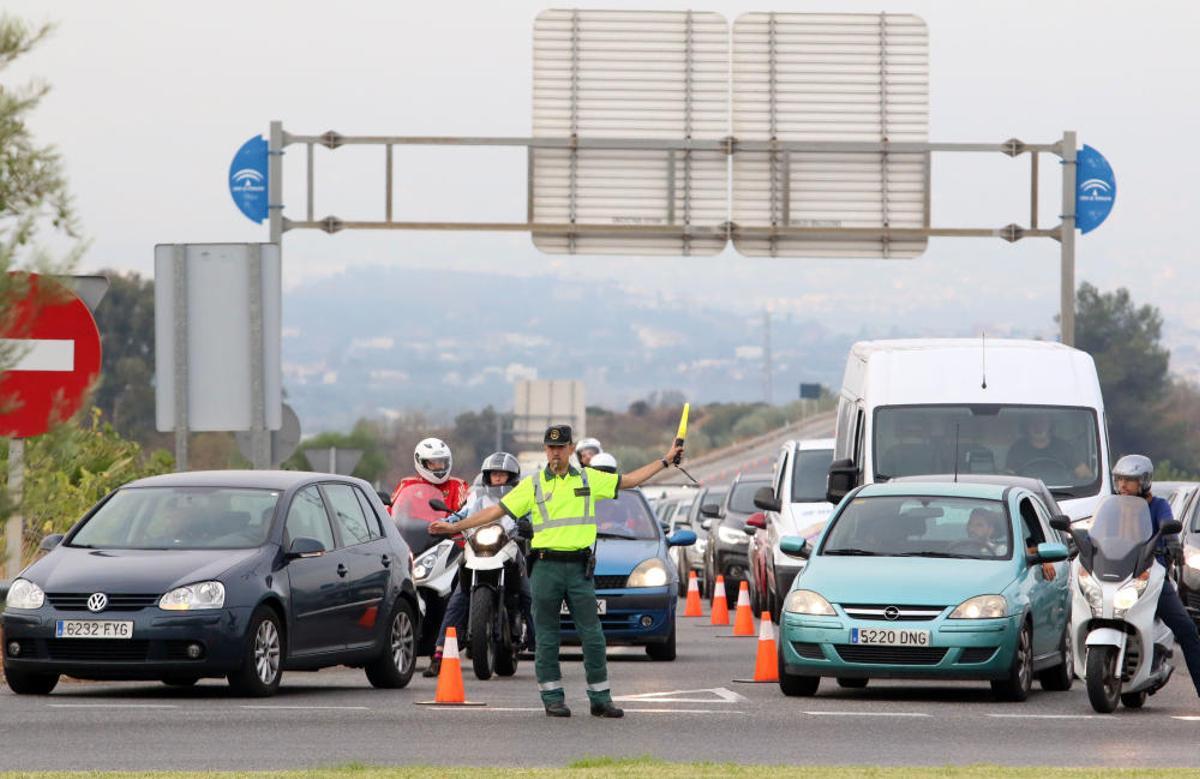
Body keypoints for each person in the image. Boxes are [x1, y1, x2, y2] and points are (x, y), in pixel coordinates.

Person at [430, 424, 685, 719]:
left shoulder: (590, 479)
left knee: (592, 635)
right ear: (545, 449)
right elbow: (495, 511)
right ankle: (552, 698)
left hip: (578, 568)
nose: (555, 452)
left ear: (571, 449)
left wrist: (665, 460)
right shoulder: (534, 484)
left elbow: (630, 480)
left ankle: (600, 699)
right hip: (546, 567)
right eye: (550, 447)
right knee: (548, 635)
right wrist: (455, 526)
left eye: (561, 447)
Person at [423, 451, 526, 678]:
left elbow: (529, 518)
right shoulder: (477, 497)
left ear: (512, 477)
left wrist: (528, 527)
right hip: (478, 549)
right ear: (487, 476)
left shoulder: (520, 496)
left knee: (527, 592)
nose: (498, 478)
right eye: (494, 474)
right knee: (457, 596)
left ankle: (538, 641)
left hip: (507, 548)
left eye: (503, 474)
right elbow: (461, 515)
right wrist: (445, 523)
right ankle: (440, 652)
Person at [1112, 454, 1200, 699]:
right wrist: (1081, 544)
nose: (1123, 487)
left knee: (1187, 629)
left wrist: (1172, 541)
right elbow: (1097, 531)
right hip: (1116, 576)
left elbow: (1167, 522)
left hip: (1150, 576)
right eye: (1120, 481)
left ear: (1144, 481)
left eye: (1129, 481)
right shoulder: (1113, 507)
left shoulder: (1158, 505)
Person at [390, 437, 470, 516]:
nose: (438, 466)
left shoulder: (458, 485)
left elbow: (464, 512)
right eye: (432, 463)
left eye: (442, 461)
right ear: (421, 462)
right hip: (410, 529)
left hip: (446, 528)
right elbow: (391, 511)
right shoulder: (407, 484)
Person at [1005, 415, 1091, 481]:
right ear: (1026, 426)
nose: (1038, 426)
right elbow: (1009, 477)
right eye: (1033, 422)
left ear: (1050, 425)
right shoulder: (1017, 449)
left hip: (1064, 495)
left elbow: (1085, 475)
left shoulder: (1064, 448)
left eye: (1042, 422)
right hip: (1026, 496)